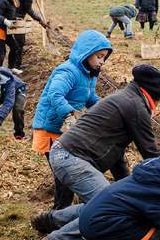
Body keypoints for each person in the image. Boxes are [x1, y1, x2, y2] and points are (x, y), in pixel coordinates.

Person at [33, 65, 160, 240]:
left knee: (103, 202)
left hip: (65, 153)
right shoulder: (136, 106)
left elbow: (117, 154)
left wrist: (127, 188)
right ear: (154, 97)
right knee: (109, 209)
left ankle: (51, 220)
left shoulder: (124, 99)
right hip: (72, 158)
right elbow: (151, 153)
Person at [31, 30, 113, 209]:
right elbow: (55, 94)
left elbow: (91, 98)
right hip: (51, 128)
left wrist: (108, 110)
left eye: (104, 58)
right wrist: (69, 115)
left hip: (66, 130)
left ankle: (65, 212)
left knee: (67, 173)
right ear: (86, 52)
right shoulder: (68, 71)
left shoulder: (89, 74)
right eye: (99, 56)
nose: (101, 61)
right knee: (64, 175)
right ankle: (60, 214)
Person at [8, 0, 48, 74]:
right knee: (19, 43)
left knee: (17, 43)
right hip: (16, 17)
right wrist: (40, 19)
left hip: (9, 13)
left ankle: (15, 65)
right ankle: (16, 67)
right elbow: (28, 10)